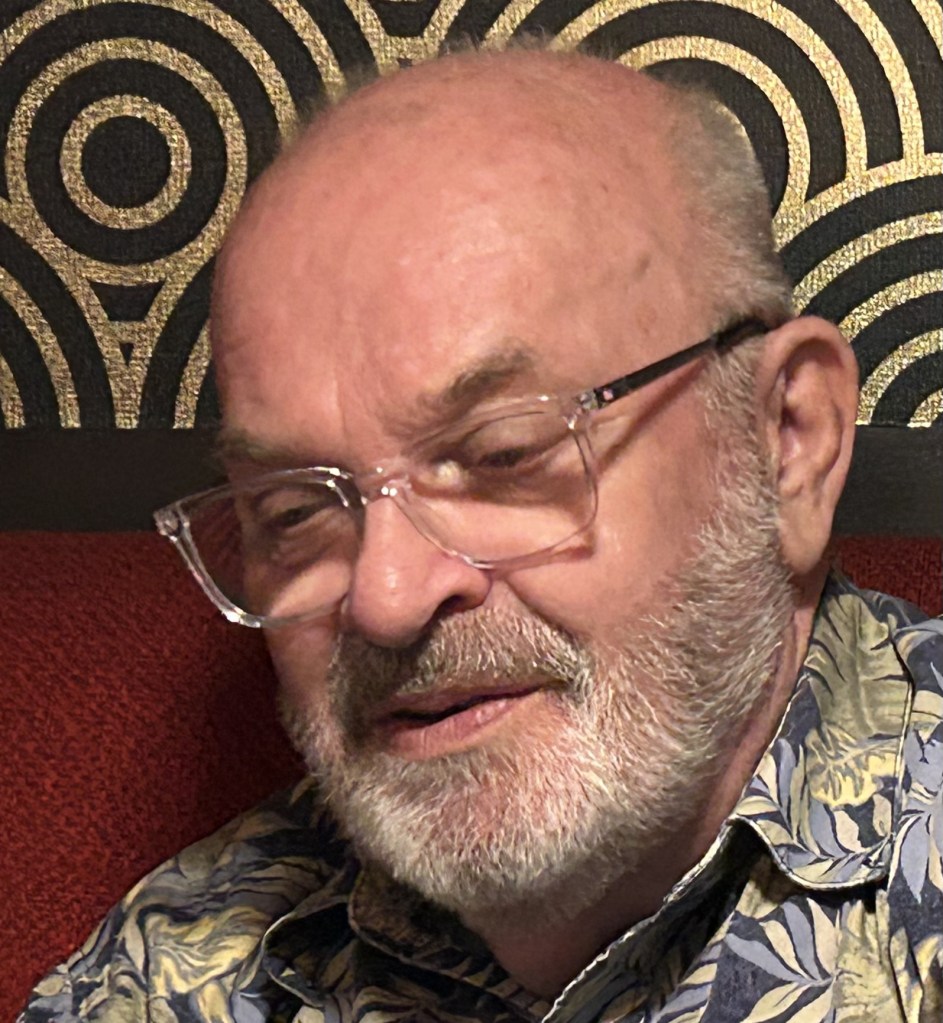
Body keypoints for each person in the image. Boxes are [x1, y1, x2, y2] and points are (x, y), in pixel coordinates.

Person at [21, 47, 942, 1023]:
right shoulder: (180, 962)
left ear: (786, 441)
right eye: (295, 510)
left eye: (503, 453)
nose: (385, 597)